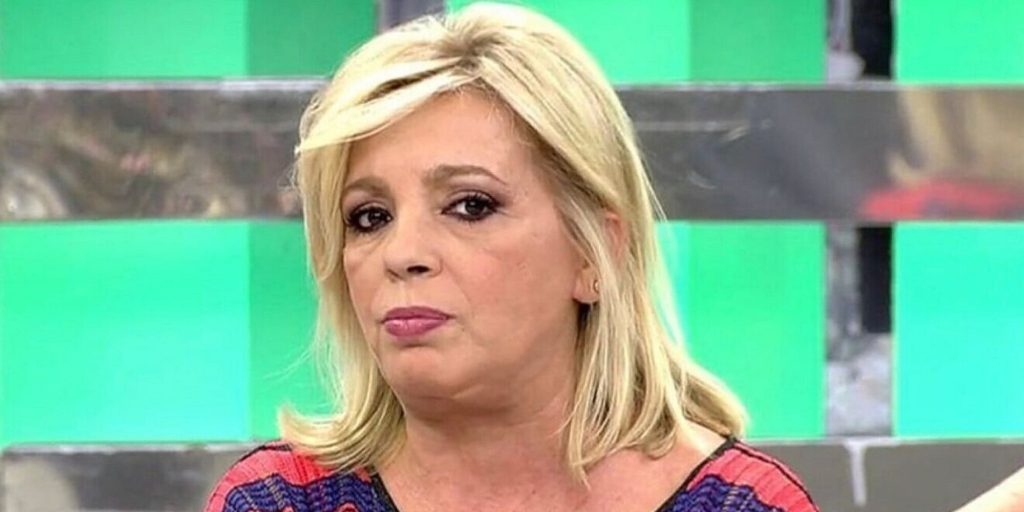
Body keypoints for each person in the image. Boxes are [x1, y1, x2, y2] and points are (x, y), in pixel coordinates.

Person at [205, 3, 818, 511]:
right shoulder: (278, 501)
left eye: (470, 206)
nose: (402, 254)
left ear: (595, 252)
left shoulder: (744, 505)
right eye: (369, 217)